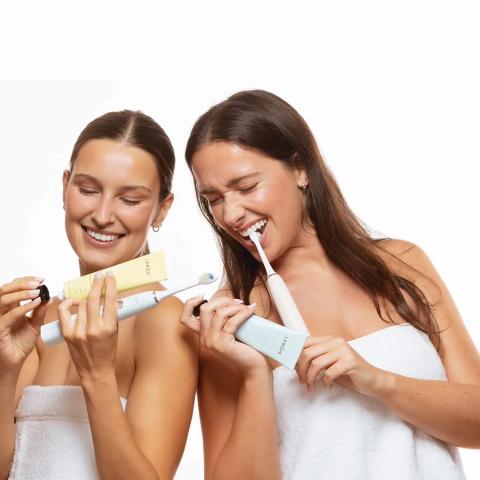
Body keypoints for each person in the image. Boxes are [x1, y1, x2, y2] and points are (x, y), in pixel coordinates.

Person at [180, 90, 479, 479]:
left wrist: (376, 381)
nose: (231, 214)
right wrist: (255, 374)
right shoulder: (230, 321)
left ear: (301, 168)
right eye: (214, 199)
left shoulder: (402, 263)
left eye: (247, 186)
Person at [0, 110, 198, 480]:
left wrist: (97, 376)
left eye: (130, 199)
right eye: (88, 190)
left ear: (162, 209)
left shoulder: (164, 322)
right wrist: (4, 371)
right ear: (65, 187)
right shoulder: (41, 319)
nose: (103, 215)